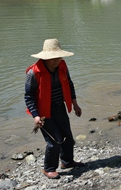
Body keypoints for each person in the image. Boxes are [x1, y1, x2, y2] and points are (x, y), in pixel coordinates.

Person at [25, 39, 84, 179]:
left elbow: (69, 85)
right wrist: (35, 115)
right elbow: (28, 96)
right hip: (44, 112)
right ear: (45, 58)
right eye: (53, 58)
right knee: (54, 141)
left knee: (68, 138)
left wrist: (75, 104)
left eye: (58, 57)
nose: (56, 60)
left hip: (60, 107)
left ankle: (67, 162)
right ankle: (49, 168)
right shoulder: (33, 73)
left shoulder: (62, 66)